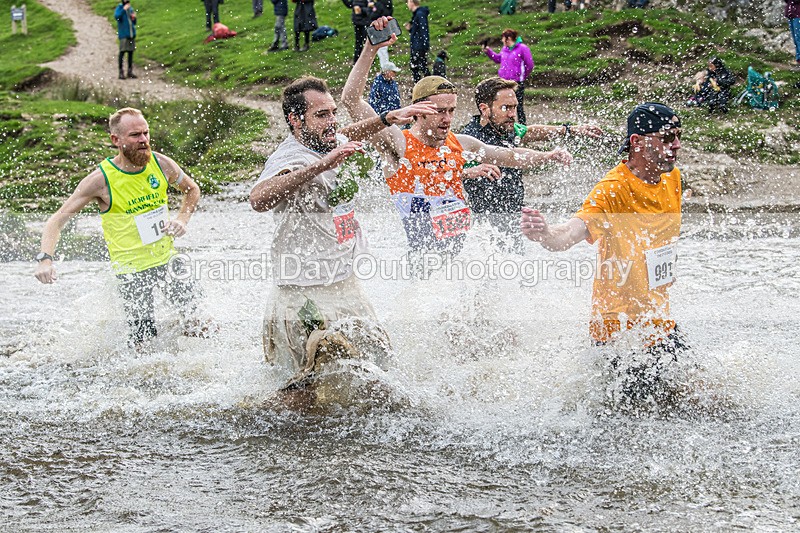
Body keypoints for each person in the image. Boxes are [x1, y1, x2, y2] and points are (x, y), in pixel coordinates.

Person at [249, 76, 437, 388]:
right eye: (322, 115)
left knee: (379, 370)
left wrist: (385, 119)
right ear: (295, 120)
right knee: (305, 389)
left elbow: (345, 134)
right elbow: (258, 199)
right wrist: (320, 167)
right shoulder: (289, 157)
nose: (333, 122)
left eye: (333, 112)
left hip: (345, 284)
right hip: (303, 294)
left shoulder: (325, 140)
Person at [341, 18, 572, 260]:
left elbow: (510, 156)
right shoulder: (399, 144)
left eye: (451, 110)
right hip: (426, 265)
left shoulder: (460, 143)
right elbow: (351, 101)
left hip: (467, 259)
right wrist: (370, 48)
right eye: (440, 111)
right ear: (418, 110)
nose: (447, 118)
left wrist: (548, 155)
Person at [520, 102, 685, 397]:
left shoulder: (673, 178)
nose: (677, 145)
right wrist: (546, 234)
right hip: (620, 332)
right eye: (667, 138)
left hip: (659, 320)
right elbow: (571, 232)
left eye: (678, 136)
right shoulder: (612, 189)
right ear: (637, 142)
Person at [34, 108, 210, 347]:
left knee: (201, 325)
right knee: (144, 344)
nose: (144, 140)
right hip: (131, 272)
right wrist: (45, 259)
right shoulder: (101, 180)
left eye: (146, 133)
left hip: (167, 260)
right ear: (116, 140)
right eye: (135, 135)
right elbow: (56, 221)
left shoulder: (160, 163)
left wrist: (182, 219)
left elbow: (192, 190)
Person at [460, 77, 603, 253]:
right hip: (481, 229)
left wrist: (569, 130)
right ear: (484, 109)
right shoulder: (469, 139)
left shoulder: (506, 128)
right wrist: (468, 172)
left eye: (514, 107)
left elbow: (530, 131)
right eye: (506, 108)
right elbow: (443, 171)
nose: (513, 114)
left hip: (513, 219)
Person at [482, 29, 534, 124]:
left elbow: (529, 65)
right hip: (503, 82)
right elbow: (498, 59)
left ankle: (523, 125)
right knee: (502, 104)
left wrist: (521, 76)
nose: (502, 40)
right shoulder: (505, 49)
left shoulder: (523, 48)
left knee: (518, 105)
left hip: (517, 82)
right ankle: (504, 124)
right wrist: (488, 51)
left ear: (508, 38)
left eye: (503, 38)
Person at [405, 0, 430, 83]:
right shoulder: (417, 14)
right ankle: (423, 85)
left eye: (408, 2)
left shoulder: (419, 14)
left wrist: (425, 44)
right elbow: (419, 30)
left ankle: (423, 85)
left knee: (417, 66)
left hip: (419, 46)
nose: (407, 4)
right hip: (417, 44)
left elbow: (424, 30)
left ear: (412, 2)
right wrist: (411, 29)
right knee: (418, 66)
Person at [114, 0, 137, 80]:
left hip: (131, 34)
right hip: (124, 34)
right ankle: (121, 72)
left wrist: (134, 18)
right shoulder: (119, 8)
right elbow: (117, 16)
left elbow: (133, 23)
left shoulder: (131, 9)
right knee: (122, 52)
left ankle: (130, 71)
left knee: (130, 52)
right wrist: (123, 9)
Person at [785, 0, 800, 67]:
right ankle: (798, 59)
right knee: (795, 39)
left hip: (798, 14)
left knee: (798, 38)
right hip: (791, 14)